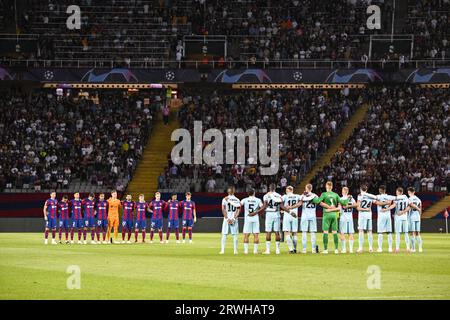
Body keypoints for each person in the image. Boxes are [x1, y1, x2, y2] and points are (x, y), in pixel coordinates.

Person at [312, 181, 349, 254]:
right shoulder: (335, 195)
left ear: (326, 186)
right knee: (335, 232)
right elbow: (344, 203)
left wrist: (313, 198)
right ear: (331, 187)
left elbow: (317, 201)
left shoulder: (324, 194)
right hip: (334, 215)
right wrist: (347, 198)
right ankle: (336, 249)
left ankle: (325, 249)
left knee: (325, 232)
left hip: (326, 214)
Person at [260, 183, 289, 255]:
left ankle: (268, 250)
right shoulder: (279, 195)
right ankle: (277, 250)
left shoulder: (266, 196)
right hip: (276, 214)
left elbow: (264, 206)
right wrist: (289, 211)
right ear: (275, 188)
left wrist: (261, 212)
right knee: (277, 232)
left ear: (269, 188)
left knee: (268, 231)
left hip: (269, 213)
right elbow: (281, 206)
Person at [383, 188, 411, 253]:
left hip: (398, 216)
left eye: (396, 191)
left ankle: (397, 248)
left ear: (398, 192)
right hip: (405, 217)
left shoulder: (397, 198)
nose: (396, 192)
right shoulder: (406, 197)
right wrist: (403, 211)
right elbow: (409, 206)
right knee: (406, 233)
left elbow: (393, 205)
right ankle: (408, 248)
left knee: (397, 233)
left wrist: (386, 209)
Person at [241, 189, 263, 254]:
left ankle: (246, 251)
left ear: (248, 193)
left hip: (248, 218)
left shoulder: (244, 199)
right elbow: (262, 207)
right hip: (255, 218)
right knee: (256, 235)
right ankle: (255, 251)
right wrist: (257, 212)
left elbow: (238, 205)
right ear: (254, 193)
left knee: (246, 235)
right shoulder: (258, 200)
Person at [220, 186, 241, 255]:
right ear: (234, 191)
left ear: (228, 191)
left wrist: (227, 218)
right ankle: (235, 251)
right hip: (234, 219)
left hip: (227, 219)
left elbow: (223, 209)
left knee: (224, 234)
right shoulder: (237, 199)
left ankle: (222, 250)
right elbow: (238, 210)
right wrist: (234, 219)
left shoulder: (225, 199)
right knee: (235, 235)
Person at [281, 186, 302, 253]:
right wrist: (293, 207)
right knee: (294, 233)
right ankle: (295, 249)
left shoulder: (284, 196)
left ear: (288, 190)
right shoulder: (297, 196)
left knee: (287, 232)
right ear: (292, 190)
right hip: (294, 215)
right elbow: (301, 203)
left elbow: (279, 203)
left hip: (287, 215)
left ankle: (291, 250)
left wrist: (286, 208)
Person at [339, 187, 357, 253]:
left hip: (343, 218)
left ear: (343, 191)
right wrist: (350, 206)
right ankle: (351, 249)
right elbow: (356, 205)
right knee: (351, 233)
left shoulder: (341, 199)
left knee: (342, 233)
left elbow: (340, 209)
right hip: (350, 218)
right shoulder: (351, 199)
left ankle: (343, 249)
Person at [407, 187, 423, 252]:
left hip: (412, 217)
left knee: (412, 233)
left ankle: (413, 248)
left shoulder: (409, 199)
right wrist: (419, 216)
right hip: (418, 217)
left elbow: (410, 206)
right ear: (414, 192)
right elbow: (420, 209)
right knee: (418, 233)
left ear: (409, 192)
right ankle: (420, 248)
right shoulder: (419, 199)